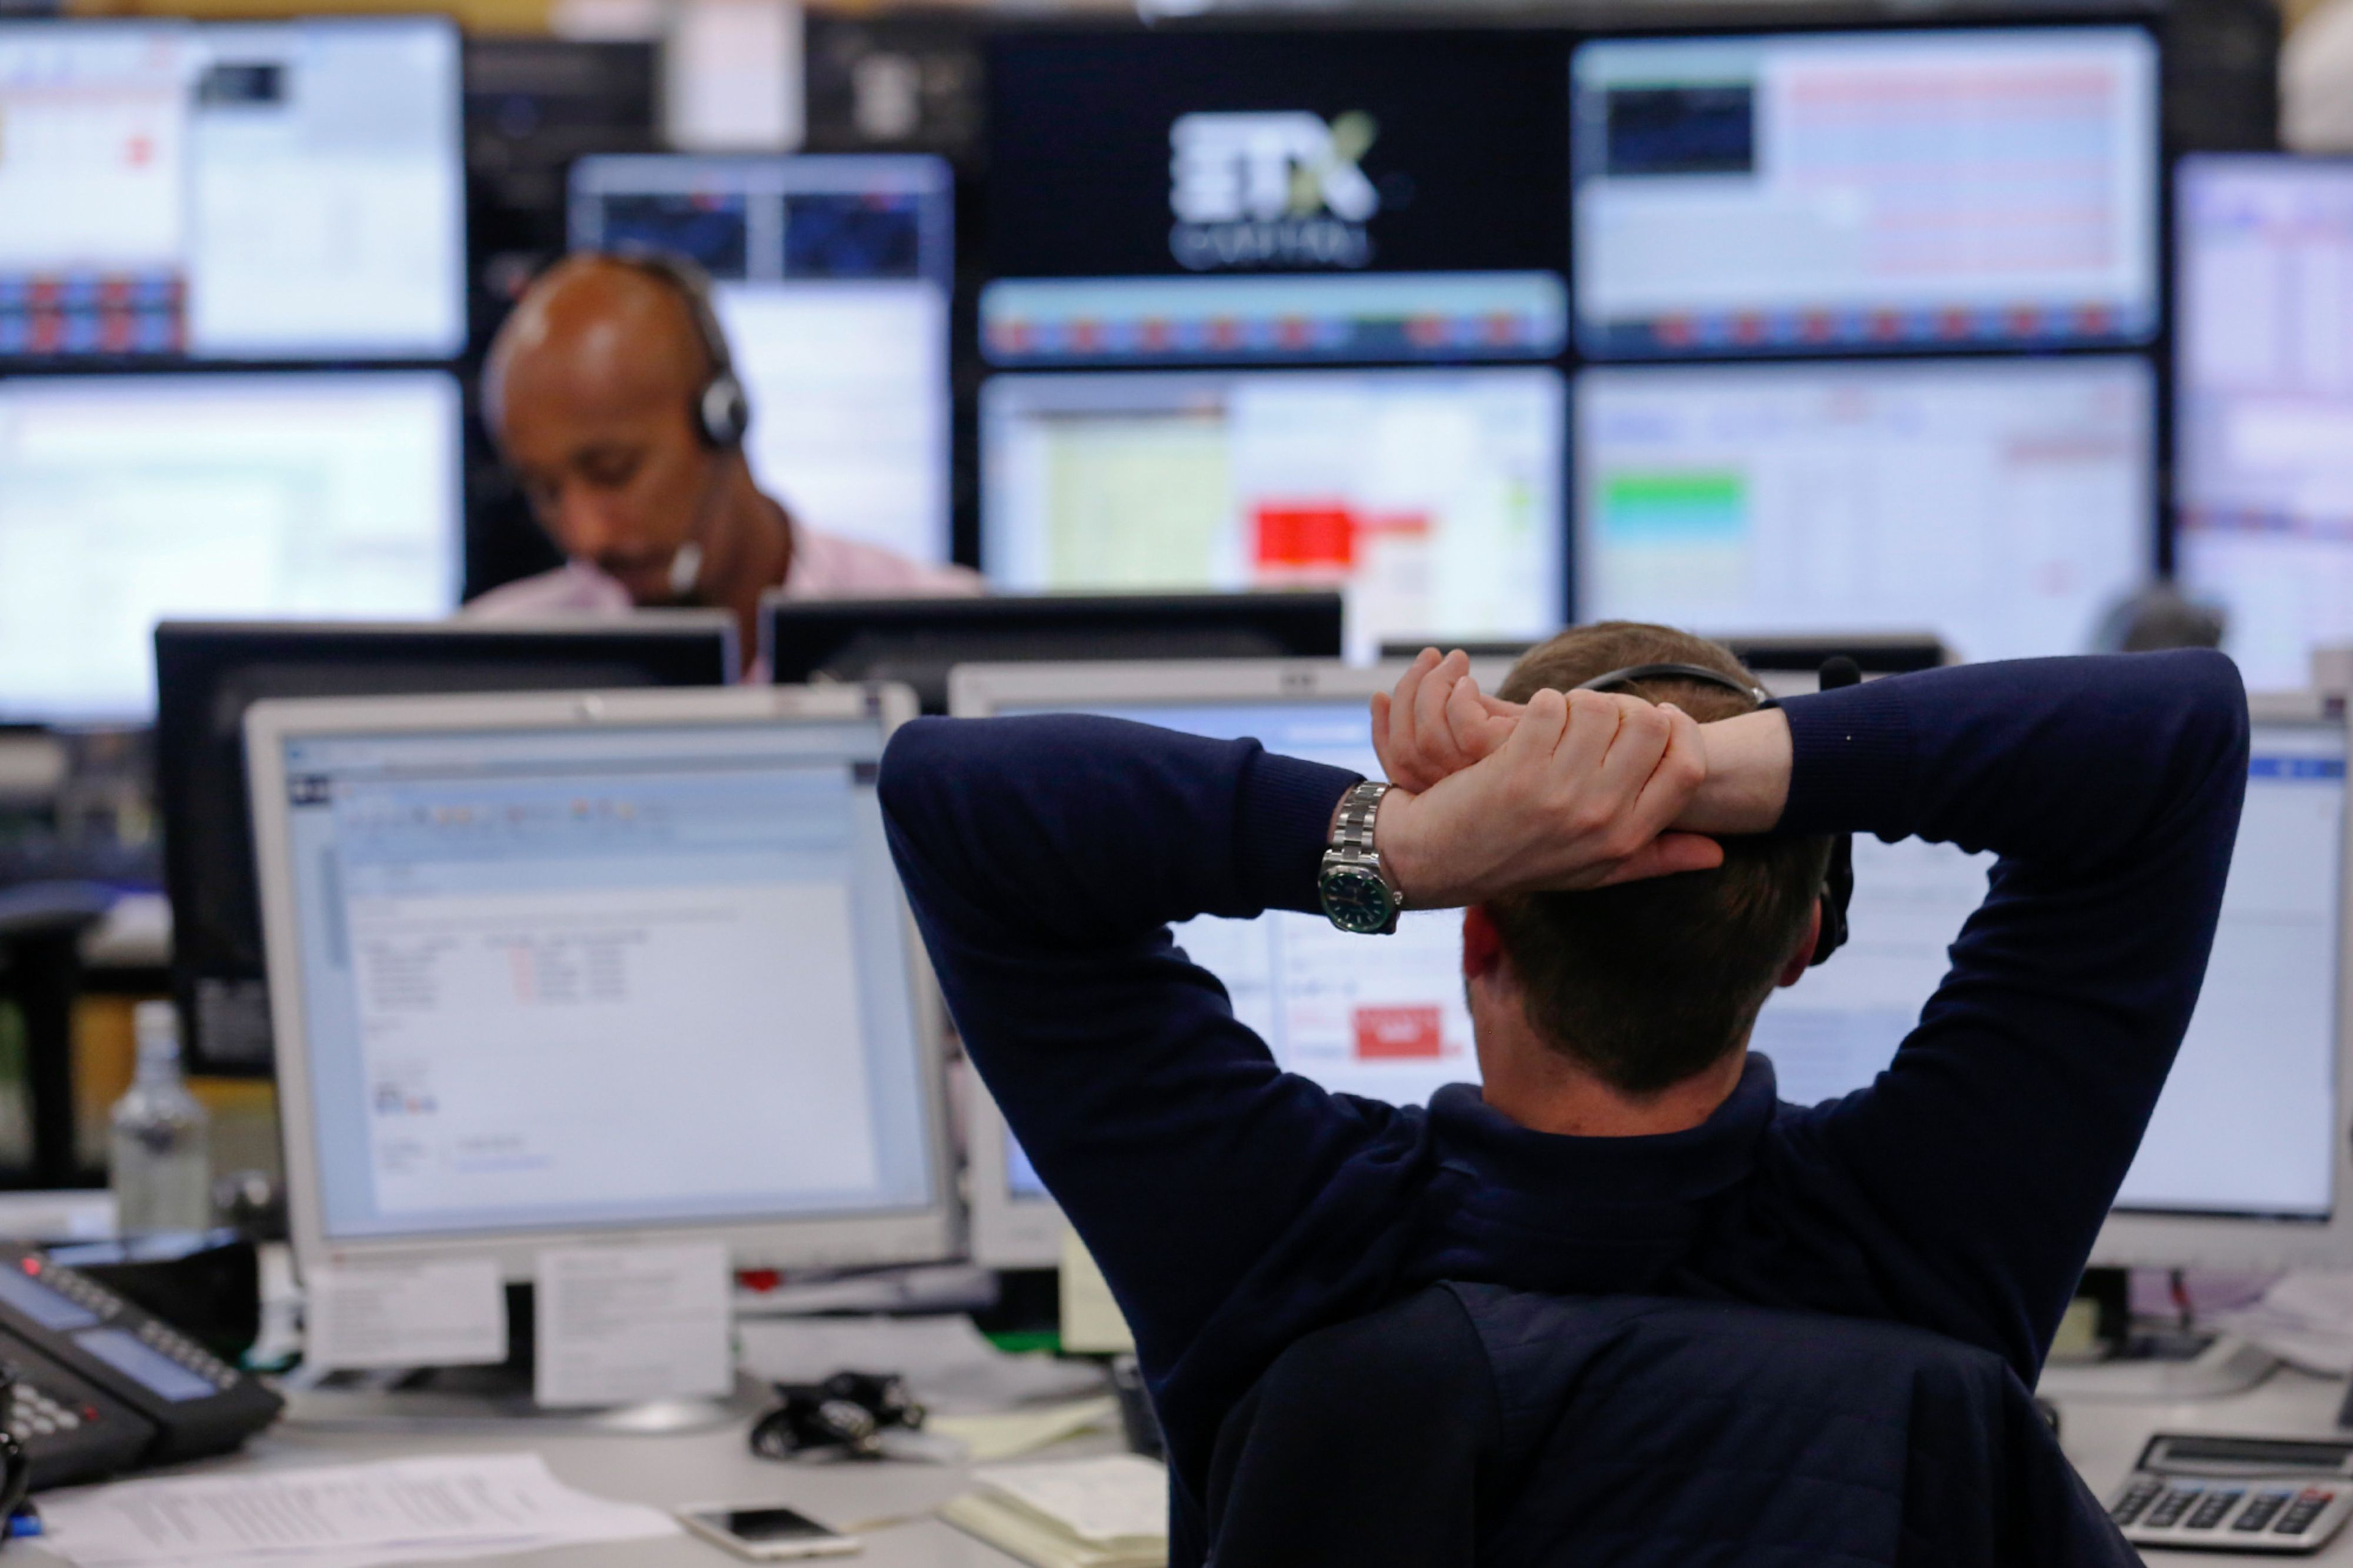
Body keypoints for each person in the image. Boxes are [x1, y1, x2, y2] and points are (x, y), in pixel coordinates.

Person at [879, 622, 2250, 1562]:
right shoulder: (1925, 1233)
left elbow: (956, 800)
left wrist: (1394, 845)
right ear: (1800, 943)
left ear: (1474, 928)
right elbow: (2170, 732)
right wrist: (1713, 769)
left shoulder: (1276, 1237)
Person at [471, 252, 975, 673]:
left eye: (614, 472)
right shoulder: (489, 665)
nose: (587, 538)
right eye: (545, 491)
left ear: (723, 418)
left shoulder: (953, 638)